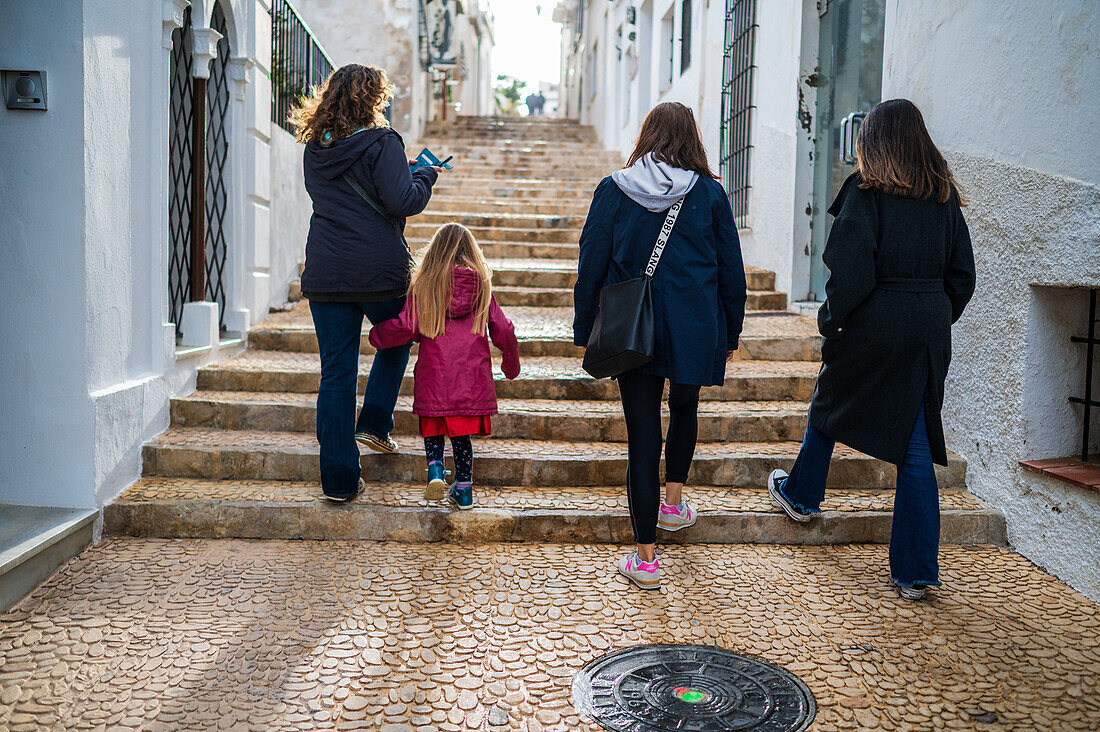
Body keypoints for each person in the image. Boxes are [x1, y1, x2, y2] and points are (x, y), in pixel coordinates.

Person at [766, 99, 976, 601]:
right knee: (917, 442)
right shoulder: (943, 197)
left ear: (873, 141)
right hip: (926, 328)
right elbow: (963, 277)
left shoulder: (867, 193)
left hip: (873, 321)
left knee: (831, 400)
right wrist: (931, 312)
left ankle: (801, 495)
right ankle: (917, 572)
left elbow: (851, 272)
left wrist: (834, 321)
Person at [573, 102, 747, 590]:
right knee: (686, 407)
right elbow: (731, 271)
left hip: (635, 328)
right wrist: (730, 330)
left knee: (642, 437)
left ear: (646, 136)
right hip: (694, 326)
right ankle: (673, 504)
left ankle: (646, 557)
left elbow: (591, 262)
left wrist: (585, 326)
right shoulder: (710, 194)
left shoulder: (614, 190)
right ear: (691, 138)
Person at [290, 64, 444, 502]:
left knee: (335, 374)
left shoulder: (315, 149)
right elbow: (404, 200)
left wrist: (401, 170)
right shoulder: (384, 141)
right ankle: (375, 422)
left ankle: (339, 481)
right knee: (396, 341)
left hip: (326, 272)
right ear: (373, 99)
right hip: (379, 272)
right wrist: (425, 174)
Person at [369, 223, 520, 509]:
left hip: (434, 375)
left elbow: (407, 325)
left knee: (434, 427)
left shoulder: (425, 284)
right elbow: (504, 329)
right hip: (470, 378)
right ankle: (464, 490)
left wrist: (377, 334)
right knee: (462, 436)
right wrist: (510, 363)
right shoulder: (482, 285)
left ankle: (435, 470)